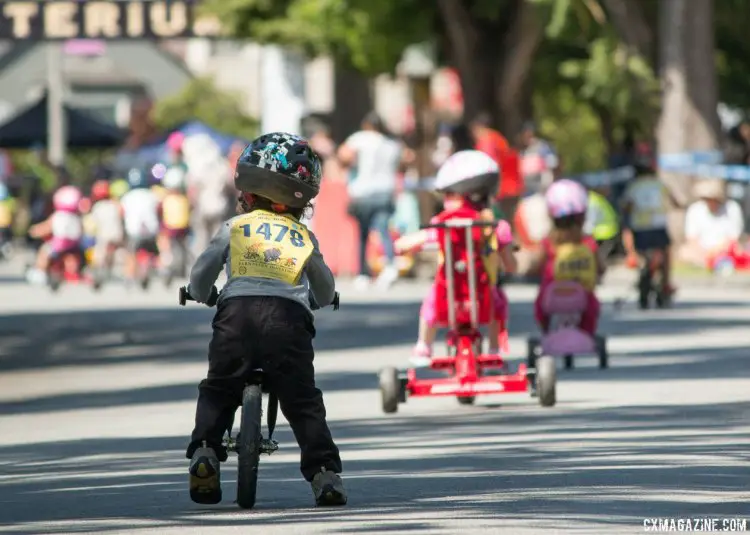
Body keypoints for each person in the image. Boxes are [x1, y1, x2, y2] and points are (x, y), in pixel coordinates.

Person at [185, 132, 346, 507]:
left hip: (235, 317)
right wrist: (323, 299)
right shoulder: (303, 236)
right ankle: (325, 475)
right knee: (303, 401)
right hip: (287, 322)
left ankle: (205, 452)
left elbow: (201, 274)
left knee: (219, 389)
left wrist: (200, 293)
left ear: (247, 192)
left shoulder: (234, 228)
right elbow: (323, 287)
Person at [394, 150, 517, 366]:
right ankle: (495, 348)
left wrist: (402, 246)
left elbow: (407, 243)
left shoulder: (443, 226)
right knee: (498, 302)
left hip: (447, 296)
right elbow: (511, 266)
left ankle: (424, 345)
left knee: (430, 301)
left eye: (449, 195)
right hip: (482, 297)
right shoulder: (496, 227)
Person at [337, 111, 409, 290]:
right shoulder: (391, 143)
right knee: (384, 228)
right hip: (385, 190)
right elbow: (407, 158)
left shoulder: (360, 138)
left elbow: (343, 155)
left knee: (363, 233)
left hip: (363, 191)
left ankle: (363, 273)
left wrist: (348, 167)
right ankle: (390, 264)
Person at [533, 179, 603, 337]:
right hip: (582, 298)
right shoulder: (588, 243)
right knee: (592, 305)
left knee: (540, 303)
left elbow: (537, 266)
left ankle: (547, 331)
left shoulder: (549, 243)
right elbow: (600, 267)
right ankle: (586, 334)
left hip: (553, 298)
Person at [620, 164, 676, 294]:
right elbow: (674, 201)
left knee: (642, 253)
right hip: (658, 225)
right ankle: (666, 282)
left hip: (640, 226)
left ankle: (642, 265)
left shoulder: (633, 186)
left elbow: (627, 206)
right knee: (666, 251)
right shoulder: (659, 184)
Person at [680, 179, 745, 268]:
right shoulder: (695, 209)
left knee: (738, 250)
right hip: (701, 251)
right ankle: (709, 263)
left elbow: (733, 239)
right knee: (685, 252)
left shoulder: (732, 208)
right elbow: (692, 239)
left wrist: (717, 250)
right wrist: (705, 253)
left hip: (725, 250)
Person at [27, 185, 84, 284]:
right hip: (74, 245)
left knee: (43, 252)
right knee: (71, 258)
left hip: (59, 245)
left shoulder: (58, 216)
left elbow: (46, 228)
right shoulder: (75, 217)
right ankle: (72, 272)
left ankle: (40, 272)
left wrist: (34, 231)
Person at [120, 168, 160, 284]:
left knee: (131, 252)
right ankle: (163, 267)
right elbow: (159, 209)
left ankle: (129, 275)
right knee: (156, 249)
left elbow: (121, 212)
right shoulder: (152, 195)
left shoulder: (127, 197)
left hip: (134, 231)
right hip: (151, 230)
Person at [158, 166, 191, 276]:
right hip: (183, 227)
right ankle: (181, 265)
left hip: (170, 228)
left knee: (163, 241)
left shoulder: (165, 199)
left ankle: (166, 263)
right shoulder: (184, 199)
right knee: (183, 246)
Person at [89, 179, 124, 276]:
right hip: (117, 235)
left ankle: (96, 271)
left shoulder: (97, 207)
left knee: (99, 252)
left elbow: (92, 224)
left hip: (103, 236)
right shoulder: (114, 204)